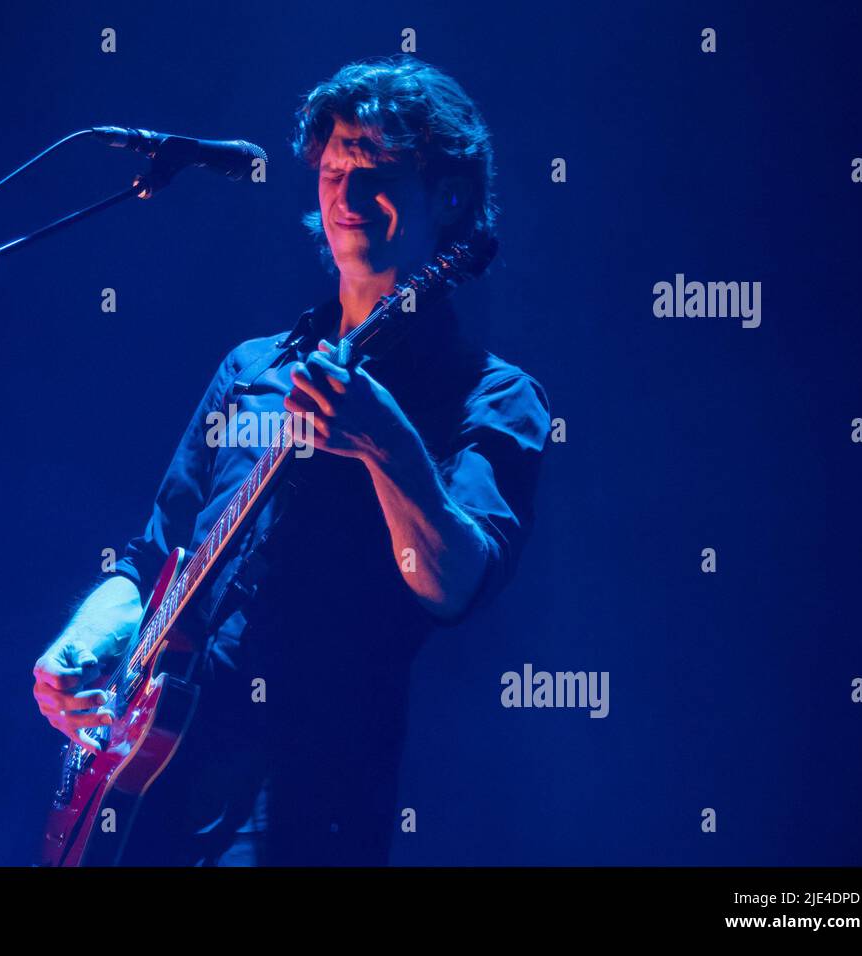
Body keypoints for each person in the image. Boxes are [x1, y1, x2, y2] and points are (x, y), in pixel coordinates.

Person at [33, 55, 550, 865]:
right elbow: (148, 561)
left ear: (449, 197)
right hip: (147, 769)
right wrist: (87, 642)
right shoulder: (251, 369)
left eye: (374, 169)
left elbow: (453, 584)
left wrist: (389, 446)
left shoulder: (492, 395)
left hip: (305, 794)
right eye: (334, 166)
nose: (345, 193)